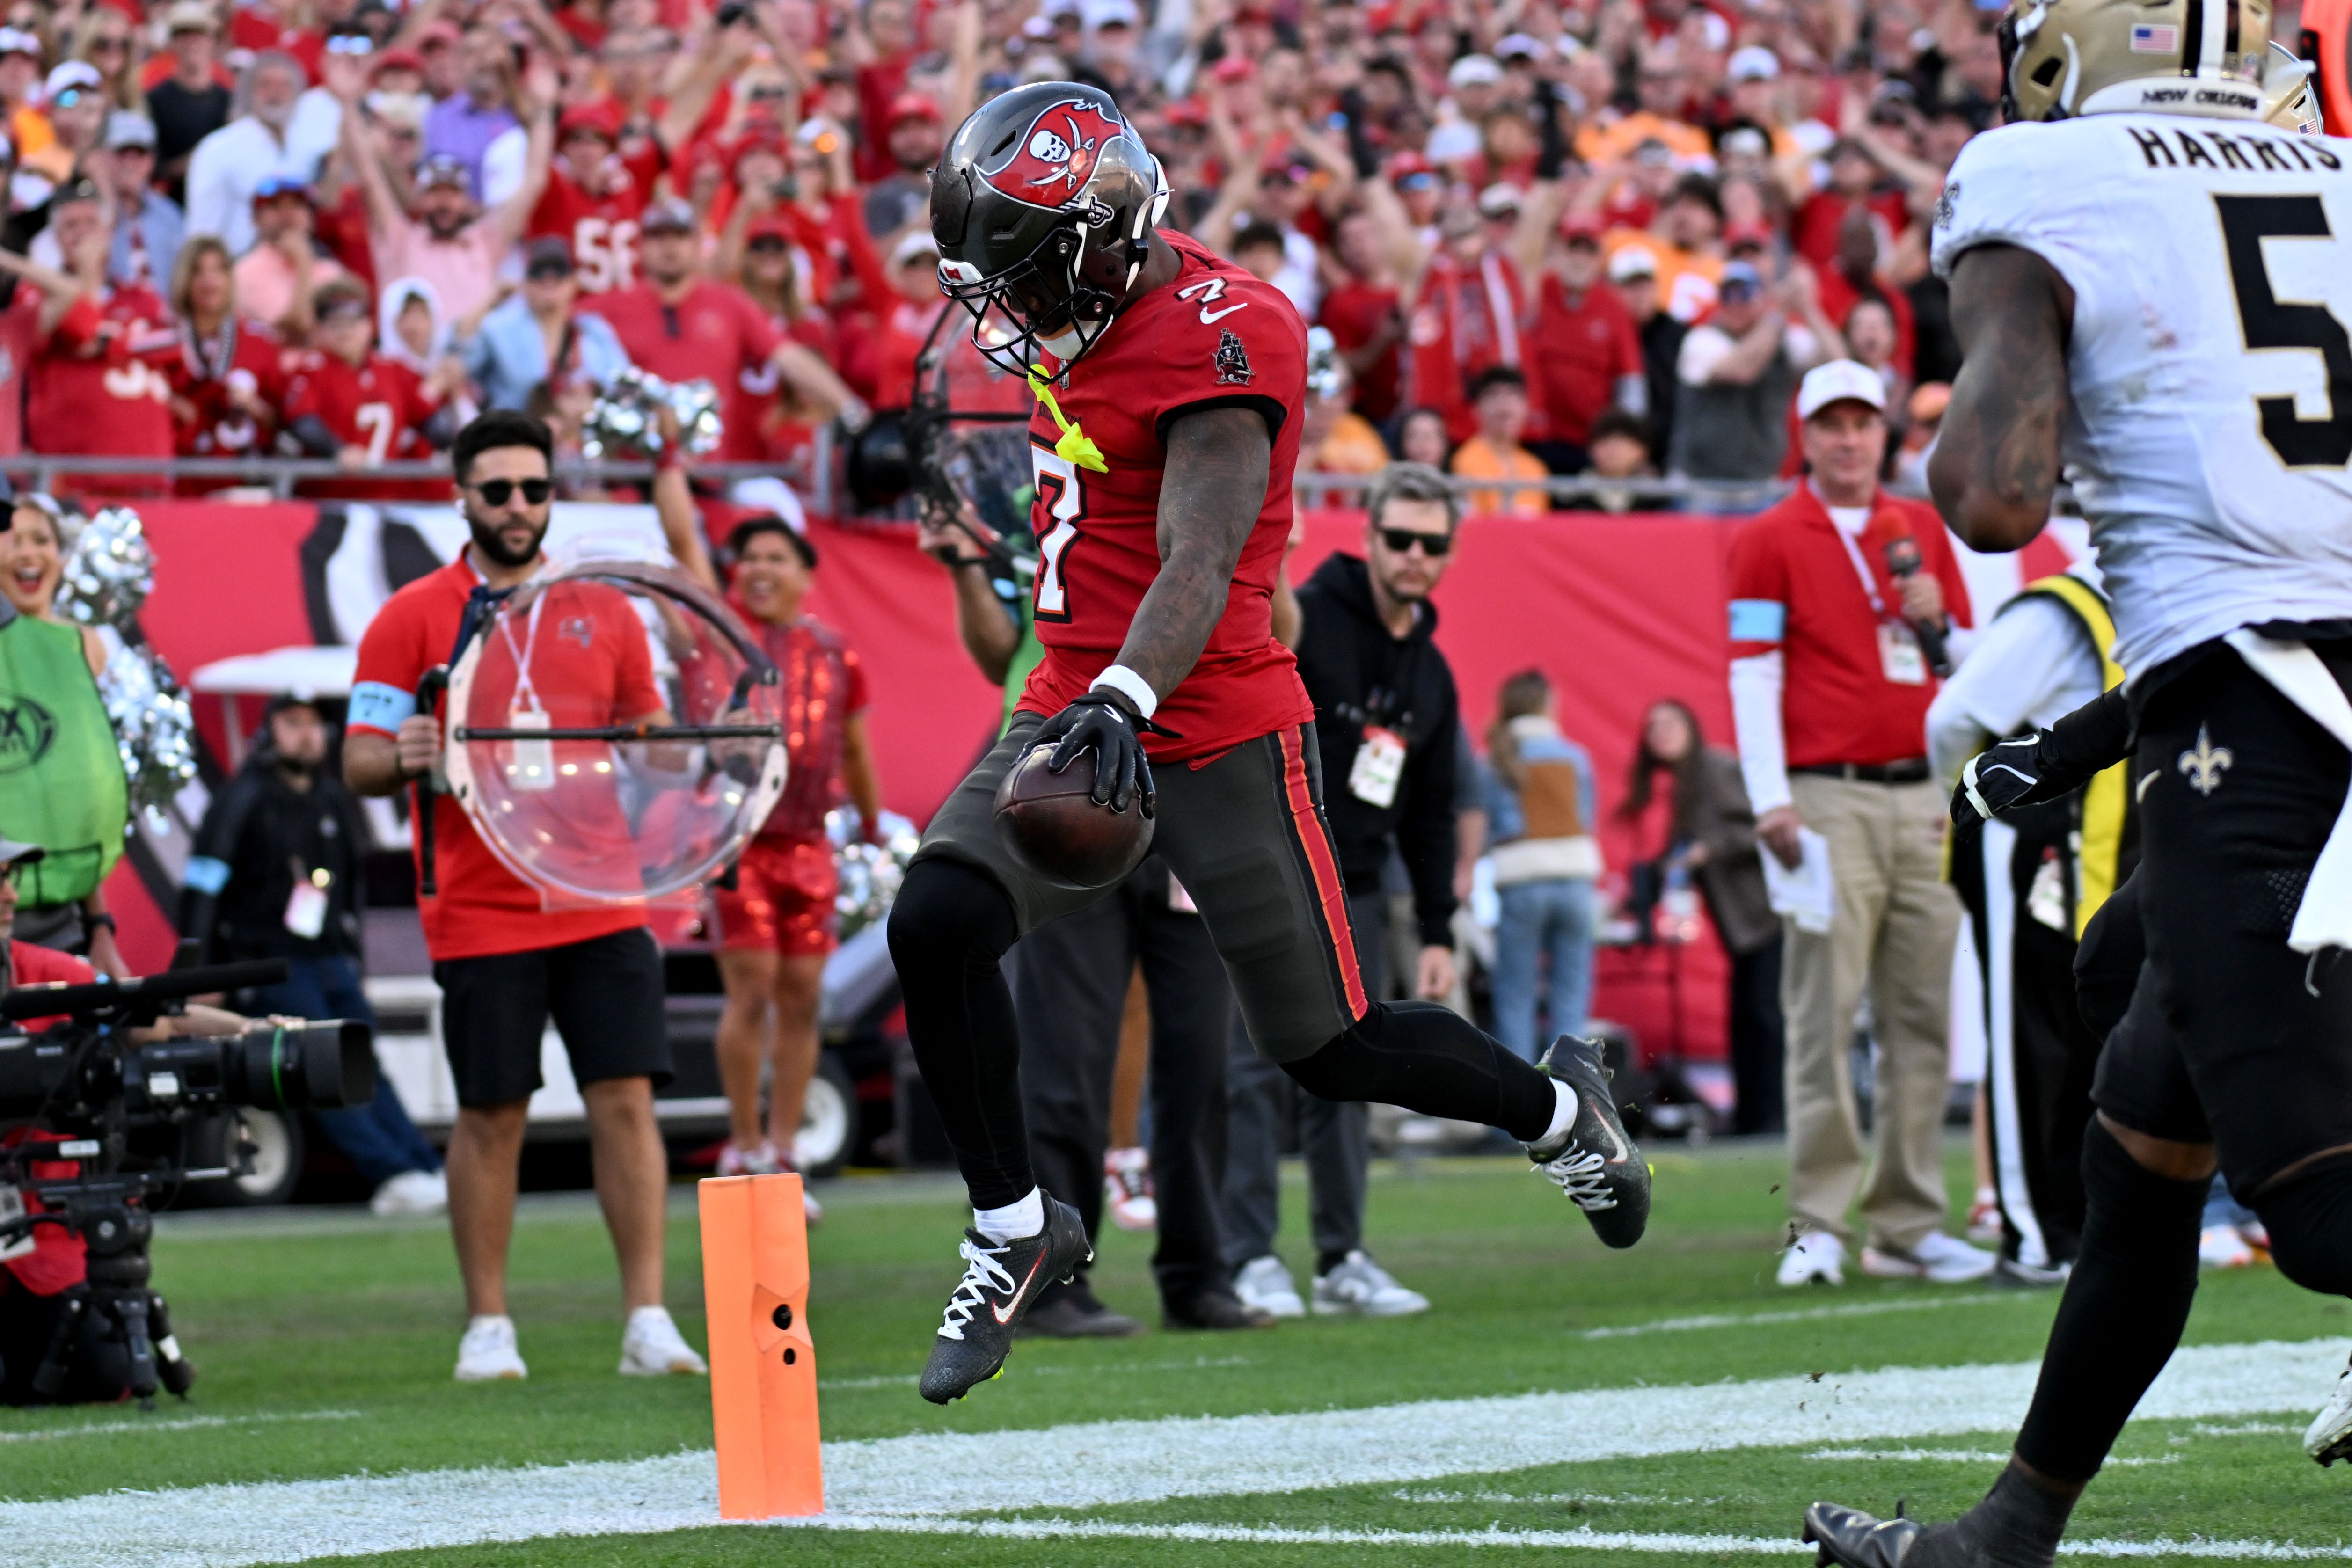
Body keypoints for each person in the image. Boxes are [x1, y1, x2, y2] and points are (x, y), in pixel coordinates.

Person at [894, 85, 1649, 1406]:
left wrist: (1124, 695)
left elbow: (1202, 552)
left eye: (1024, 273)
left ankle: (1557, 1111)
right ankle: (1016, 1226)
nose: (1006, 307)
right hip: (1072, 698)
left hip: (1216, 717)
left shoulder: (1228, 328)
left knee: (1331, 1045)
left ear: (1096, 241)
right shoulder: (1085, 299)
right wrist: (1089, 692)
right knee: (935, 921)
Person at [1804, 16, 2352, 1559]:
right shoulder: (2332, 175)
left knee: (2317, 1214)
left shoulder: (2043, 174)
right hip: (2289, 694)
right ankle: (2006, 1533)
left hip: (2252, 729)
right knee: (2137, 1156)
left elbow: (1993, 495)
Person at [343, 408, 706, 1385]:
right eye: (497, 489)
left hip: (602, 893)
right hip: (478, 904)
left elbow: (657, 746)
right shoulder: (411, 614)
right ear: (460, 496)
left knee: (625, 1100)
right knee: (492, 1110)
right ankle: (488, 1325)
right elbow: (359, 759)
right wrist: (401, 754)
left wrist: (693, 739)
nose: (517, 505)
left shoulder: (607, 609)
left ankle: (648, 1319)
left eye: (534, 488)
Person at [912, 459, 1265, 1339]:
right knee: (1065, 1049)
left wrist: (1259, 564)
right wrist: (965, 567)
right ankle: (1057, 1283)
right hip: (1064, 796)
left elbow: (1274, 628)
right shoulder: (1052, 512)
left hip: (1184, 787)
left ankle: (1200, 1272)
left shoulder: (1212, 505)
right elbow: (1000, 652)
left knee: (1200, 1054)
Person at [1728, 358, 1989, 1289]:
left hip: (1922, 790)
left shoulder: (1919, 528)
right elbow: (1752, 670)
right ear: (1804, 434)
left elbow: (1970, 662)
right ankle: (1818, 1223)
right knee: (1823, 1013)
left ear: (1884, 433)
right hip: (1824, 793)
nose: (1848, 440)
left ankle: (1907, 1224)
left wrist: (1939, 622)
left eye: (1862, 423)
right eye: (1831, 424)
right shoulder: (1768, 536)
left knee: (1920, 1016)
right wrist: (1770, 795)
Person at [1226, 463, 1475, 1322]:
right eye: (1398, 538)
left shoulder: (1431, 673)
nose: (1413, 555)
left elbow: (1432, 814)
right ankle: (1248, 1256)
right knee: (1251, 1071)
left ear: (1449, 553)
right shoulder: (1312, 618)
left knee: (1351, 1070)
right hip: (1266, 869)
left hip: (1357, 887)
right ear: (1367, 537)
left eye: (1431, 543)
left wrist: (1437, 930)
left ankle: (1341, 1259)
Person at [1926, 563, 2125, 1287]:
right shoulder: (2057, 611)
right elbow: (1952, 717)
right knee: (2030, 1036)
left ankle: (2075, 1226)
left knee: (2084, 1034)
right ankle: (2036, 1236)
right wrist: (1960, 798)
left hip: (2098, 844)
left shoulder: (2132, 597)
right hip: (2032, 837)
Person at [180, 694, 447, 1219]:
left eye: (314, 724)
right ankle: (391, 1173)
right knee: (321, 1068)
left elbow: (351, 889)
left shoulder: (331, 798)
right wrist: (202, 972)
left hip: (330, 960)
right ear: (269, 731)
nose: (306, 734)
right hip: (270, 963)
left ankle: (423, 1165)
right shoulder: (243, 798)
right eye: (292, 723)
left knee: (364, 1063)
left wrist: (354, 960)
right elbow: (202, 888)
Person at [699, 516, 881, 1215]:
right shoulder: (720, 646)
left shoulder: (835, 652)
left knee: (804, 997)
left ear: (806, 574)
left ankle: (783, 1145)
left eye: (776, 557)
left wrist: (871, 826)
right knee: (751, 989)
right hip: (739, 843)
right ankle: (744, 1142)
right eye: (749, 558)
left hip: (809, 844)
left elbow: (855, 748)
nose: (760, 569)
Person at [1621, 698, 1783, 1135]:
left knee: (1764, 1016)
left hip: (1764, 914)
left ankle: (1770, 1116)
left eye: (1670, 722)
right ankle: (1752, 1116)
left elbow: (1764, 826)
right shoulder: (1686, 785)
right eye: (1653, 726)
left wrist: (1709, 848)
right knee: (1747, 1017)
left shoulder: (1716, 769)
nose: (1661, 732)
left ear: (1692, 727)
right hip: (1741, 925)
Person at [327, 49, 555, 330]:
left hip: (473, 355)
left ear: (467, 200)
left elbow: (534, 182)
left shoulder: (485, 242)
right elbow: (368, 173)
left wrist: (545, 109)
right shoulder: (400, 240)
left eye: (452, 193)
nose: (444, 203)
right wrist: (348, 102)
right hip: (409, 357)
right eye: (435, 193)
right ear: (421, 200)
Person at [0, 494, 126, 977]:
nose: (28, 553)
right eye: (13, 539)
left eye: (42, 539)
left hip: (62, 921)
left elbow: (78, 811)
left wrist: (100, 928)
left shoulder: (82, 647)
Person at [1476, 670, 1602, 1062]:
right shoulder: (1575, 757)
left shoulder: (1494, 759)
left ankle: (1518, 1095)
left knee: (1515, 994)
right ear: (1548, 705)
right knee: (1571, 994)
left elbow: (1485, 830)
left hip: (1521, 882)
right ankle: (1573, 1090)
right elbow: (1587, 817)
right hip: (1575, 881)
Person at [1667, 258, 1833, 484]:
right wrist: (1778, 313)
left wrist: (1808, 307)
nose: (1736, 303)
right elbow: (1742, 370)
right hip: (1699, 483)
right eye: (1728, 295)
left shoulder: (1782, 337)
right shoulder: (1701, 340)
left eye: (1745, 294)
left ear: (1761, 299)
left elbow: (1836, 365)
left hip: (1760, 481)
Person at [154, 235, 288, 469]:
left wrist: (253, 406)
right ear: (184, 279)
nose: (210, 281)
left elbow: (284, 419)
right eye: (198, 272)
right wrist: (166, 403)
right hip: (178, 471)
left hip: (243, 474)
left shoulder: (260, 343)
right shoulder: (160, 339)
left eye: (219, 270)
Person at [459, 236, 630, 412]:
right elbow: (456, 360)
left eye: (560, 270)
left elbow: (625, 388)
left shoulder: (594, 330)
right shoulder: (498, 329)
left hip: (585, 428)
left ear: (574, 282)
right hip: (517, 426)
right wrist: (492, 299)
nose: (549, 278)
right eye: (538, 271)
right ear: (525, 282)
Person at [183, 51, 324, 257]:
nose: (275, 93)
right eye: (265, 84)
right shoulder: (219, 148)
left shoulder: (307, 148)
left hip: (298, 264)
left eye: (284, 85)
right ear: (248, 91)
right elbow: (202, 230)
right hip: (237, 265)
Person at [231, 177, 347, 343]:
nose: (288, 214)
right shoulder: (246, 271)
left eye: (297, 205)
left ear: (311, 217)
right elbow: (297, 330)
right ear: (256, 219)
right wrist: (303, 263)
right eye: (275, 206)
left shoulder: (331, 270)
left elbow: (351, 327)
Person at [147, 1, 231, 205]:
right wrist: (196, 161)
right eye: (183, 35)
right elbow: (150, 165)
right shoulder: (155, 100)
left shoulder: (228, 101)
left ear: (213, 41)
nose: (192, 42)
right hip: (172, 204)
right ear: (172, 43)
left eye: (199, 34)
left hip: (219, 202)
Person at [94, 112, 182, 293]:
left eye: (139, 154)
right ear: (104, 157)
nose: (130, 163)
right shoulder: (90, 213)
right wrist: (108, 202)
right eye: (122, 153)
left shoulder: (170, 214)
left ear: (151, 161)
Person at [1447, 365, 1549, 517]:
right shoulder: (1464, 460)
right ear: (1476, 409)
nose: (1505, 405)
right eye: (1494, 395)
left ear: (1527, 407)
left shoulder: (1535, 469)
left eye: (1514, 395)